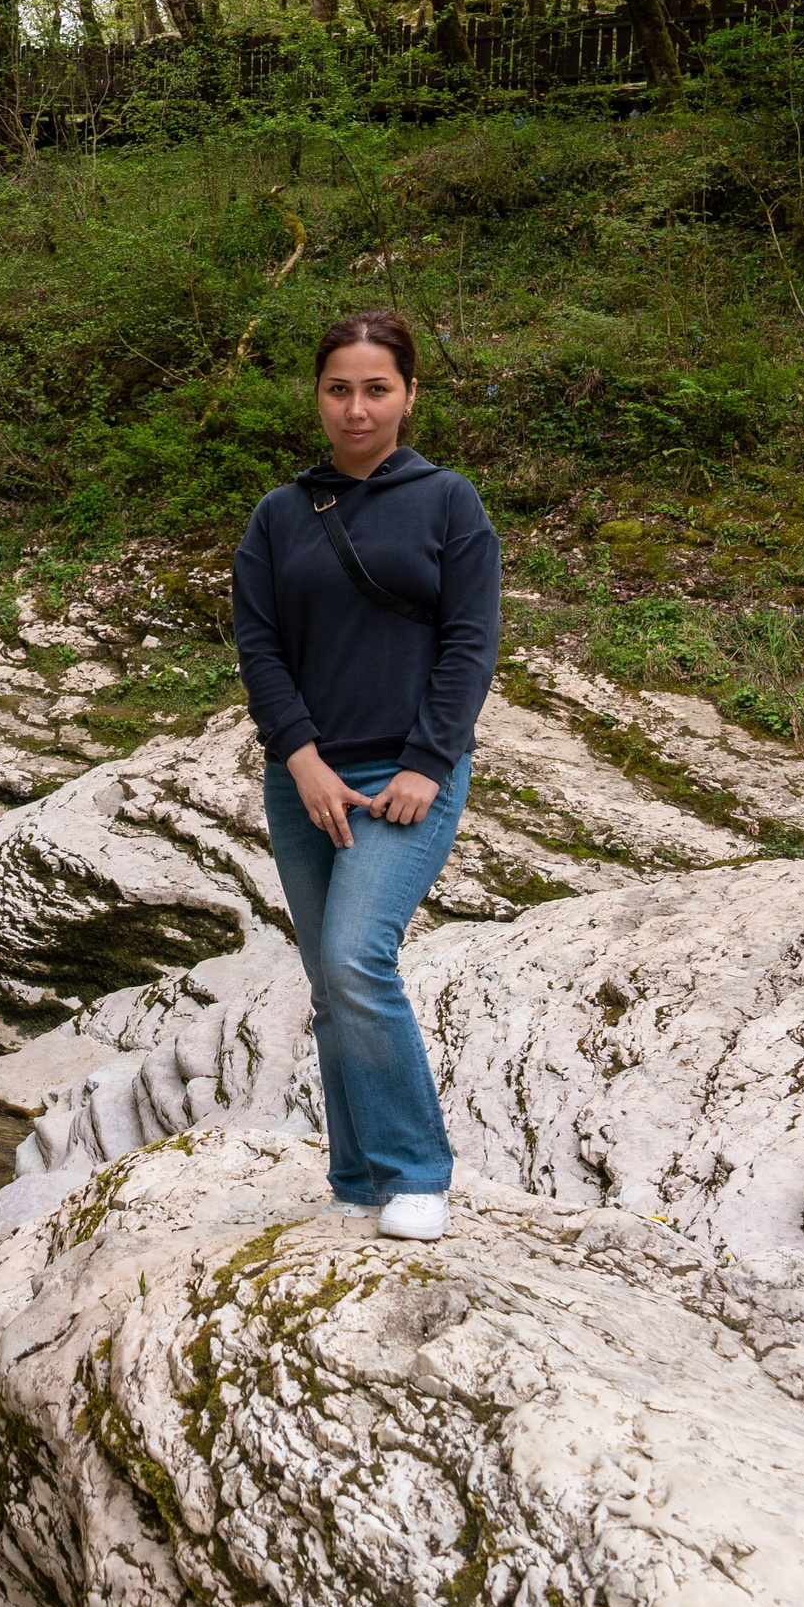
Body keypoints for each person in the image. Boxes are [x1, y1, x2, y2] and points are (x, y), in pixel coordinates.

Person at [231, 309, 500, 1242]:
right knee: (325, 975)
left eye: (375, 388)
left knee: (356, 958)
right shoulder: (278, 514)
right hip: (305, 778)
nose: (356, 408)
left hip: (406, 777)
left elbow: (470, 644)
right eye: (338, 388)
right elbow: (259, 647)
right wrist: (299, 757)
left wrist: (429, 763)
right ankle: (355, 1178)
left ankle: (417, 1173)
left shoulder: (448, 502)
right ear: (318, 395)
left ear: (409, 394)